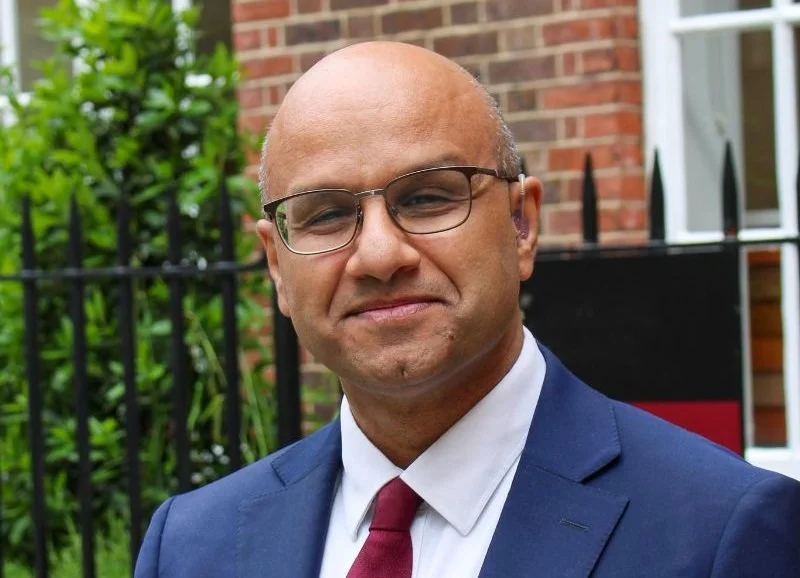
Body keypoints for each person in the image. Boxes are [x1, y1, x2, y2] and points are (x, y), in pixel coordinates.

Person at [134, 41, 800, 578]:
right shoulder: (192, 547)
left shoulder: (718, 532)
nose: (378, 255)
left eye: (427, 197)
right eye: (327, 214)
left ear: (521, 224)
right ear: (277, 266)